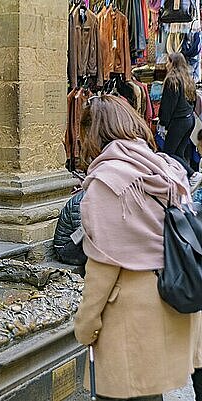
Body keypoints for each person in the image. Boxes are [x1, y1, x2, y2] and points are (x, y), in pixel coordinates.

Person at [74, 95, 199, 400]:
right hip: (172, 301)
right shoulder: (163, 167)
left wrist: (86, 325)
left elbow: (102, 268)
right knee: (149, 393)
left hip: (133, 318)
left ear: (93, 134)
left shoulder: (107, 182)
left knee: (127, 390)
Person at [159, 52, 202, 192]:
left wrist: (163, 123)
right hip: (189, 120)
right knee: (178, 153)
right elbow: (194, 101)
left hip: (179, 122)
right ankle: (183, 179)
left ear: (173, 63)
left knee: (168, 153)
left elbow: (168, 105)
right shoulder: (187, 78)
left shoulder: (172, 80)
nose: (166, 64)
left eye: (168, 62)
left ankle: (192, 174)